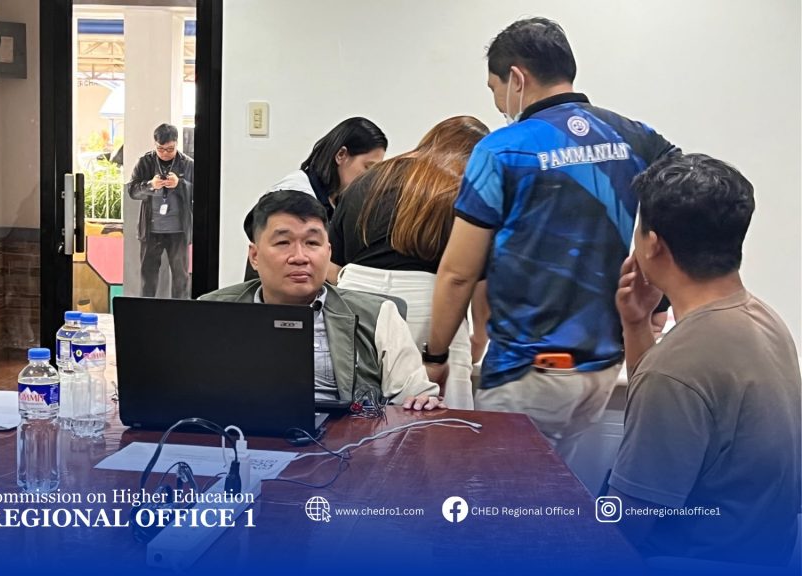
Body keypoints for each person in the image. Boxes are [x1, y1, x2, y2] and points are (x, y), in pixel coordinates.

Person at [426, 18, 678, 463]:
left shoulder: (502, 150)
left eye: (494, 89)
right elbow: (683, 197)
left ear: (517, 78)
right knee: (565, 492)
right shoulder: (633, 136)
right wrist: (660, 301)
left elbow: (458, 273)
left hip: (528, 371)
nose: (498, 103)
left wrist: (437, 354)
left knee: (507, 497)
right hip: (602, 369)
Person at [608, 153, 800, 566]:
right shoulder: (763, 320)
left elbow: (623, 526)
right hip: (763, 555)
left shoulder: (678, 367)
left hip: (689, 561)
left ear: (653, 244)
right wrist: (637, 325)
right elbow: (672, 417)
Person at [203, 190, 440, 409]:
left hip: (347, 437)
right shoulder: (210, 311)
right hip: (238, 435)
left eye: (312, 243)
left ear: (328, 252)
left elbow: (414, 397)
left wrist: (421, 401)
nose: (299, 257)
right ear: (254, 256)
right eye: (283, 243)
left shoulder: (379, 315)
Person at [330, 116, 491, 409]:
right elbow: (469, 277)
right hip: (430, 307)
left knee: (360, 414)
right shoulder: (459, 188)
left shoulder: (367, 180)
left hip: (355, 302)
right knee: (442, 419)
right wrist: (474, 339)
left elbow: (333, 262)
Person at [246, 117, 388, 282]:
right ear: (341, 155)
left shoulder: (336, 200)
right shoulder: (294, 193)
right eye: (367, 167)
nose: (371, 178)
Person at [127, 124, 194, 299]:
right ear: (155, 144)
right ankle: (146, 311)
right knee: (148, 278)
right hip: (151, 230)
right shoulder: (145, 162)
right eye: (160, 149)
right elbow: (132, 191)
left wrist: (180, 184)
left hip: (178, 230)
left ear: (177, 143)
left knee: (181, 278)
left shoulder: (187, 164)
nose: (165, 153)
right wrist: (150, 185)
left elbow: (198, 193)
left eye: (170, 149)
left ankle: (179, 312)